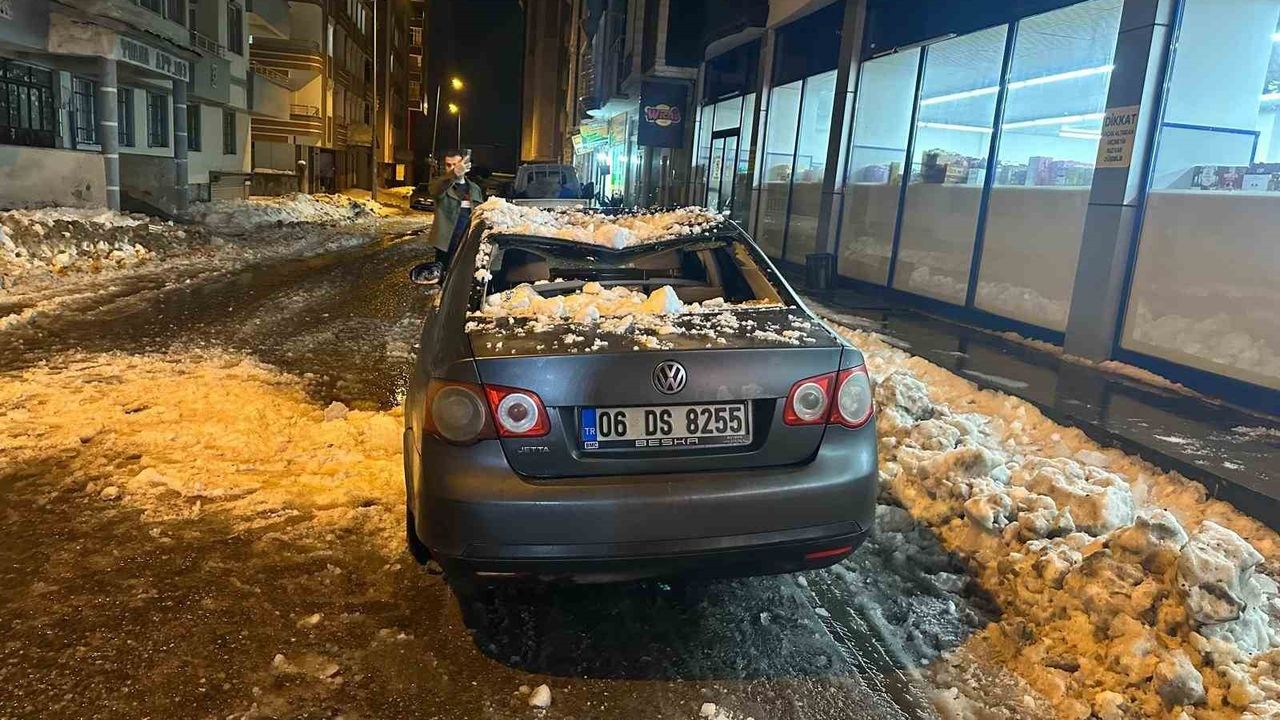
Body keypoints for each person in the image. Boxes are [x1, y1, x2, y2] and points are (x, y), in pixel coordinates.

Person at [428, 149, 484, 267]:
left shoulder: (474, 189)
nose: (452, 168)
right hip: (446, 243)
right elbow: (436, 190)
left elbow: (479, 214)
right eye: (448, 165)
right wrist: (453, 174)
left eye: (456, 164)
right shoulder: (440, 184)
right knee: (443, 273)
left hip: (467, 242)